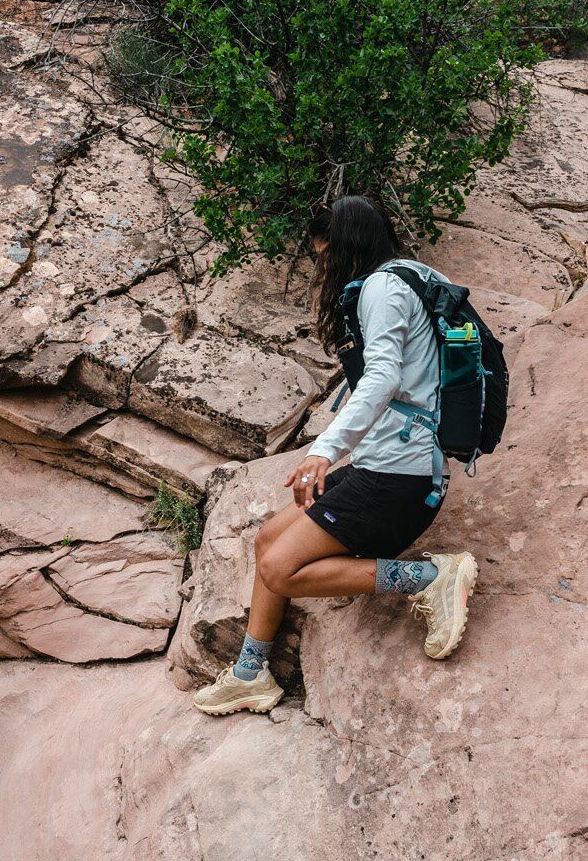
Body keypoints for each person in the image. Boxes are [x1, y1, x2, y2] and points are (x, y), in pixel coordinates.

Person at [193, 196, 479, 716]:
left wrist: (325, 449)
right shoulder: (411, 274)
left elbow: (383, 377)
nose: (322, 266)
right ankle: (250, 674)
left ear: (344, 248)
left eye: (325, 254)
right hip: (385, 464)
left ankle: (431, 579)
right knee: (268, 539)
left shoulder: (383, 289)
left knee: (280, 568)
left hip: (401, 479)